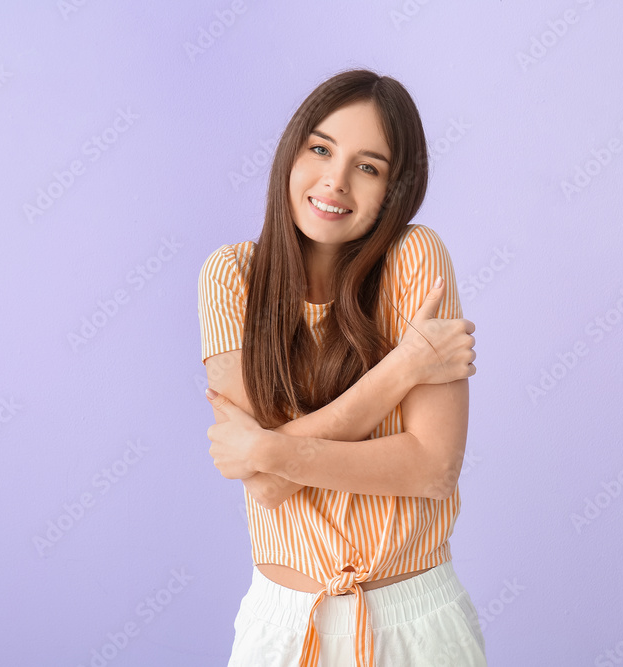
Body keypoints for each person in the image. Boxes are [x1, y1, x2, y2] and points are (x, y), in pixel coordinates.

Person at [198, 68, 485, 666]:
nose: (336, 180)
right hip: (282, 627)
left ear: (394, 189)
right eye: (321, 148)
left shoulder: (415, 258)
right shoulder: (232, 279)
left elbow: (432, 468)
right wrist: (402, 369)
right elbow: (267, 488)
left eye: (369, 166)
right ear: (292, 150)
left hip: (414, 625)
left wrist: (272, 450)